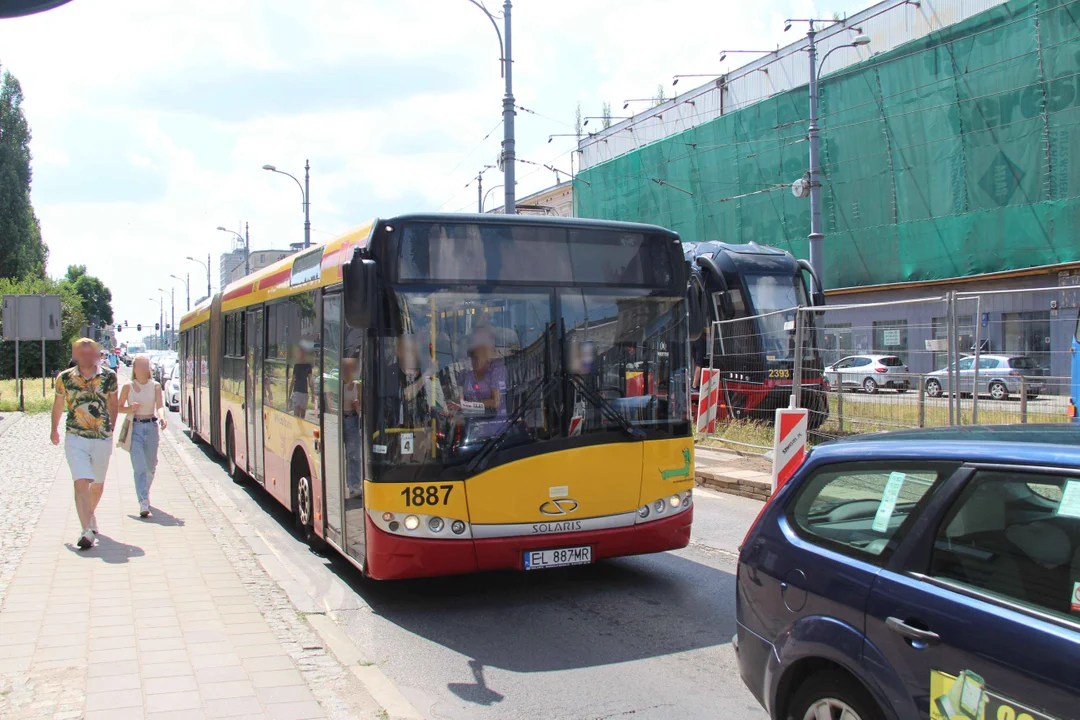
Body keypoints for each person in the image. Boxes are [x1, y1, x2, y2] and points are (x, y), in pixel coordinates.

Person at [50, 337, 119, 550]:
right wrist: (54, 429)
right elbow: (58, 403)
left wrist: (111, 429)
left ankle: (89, 515)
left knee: (96, 485)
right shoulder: (65, 378)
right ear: (75, 355)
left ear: (97, 354)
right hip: (75, 436)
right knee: (81, 481)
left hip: (101, 437)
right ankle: (86, 530)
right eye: (81, 353)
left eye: (90, 353)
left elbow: (113, 404)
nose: (86, 357)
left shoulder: (109, 377)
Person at [118, 355, 167, 517]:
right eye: (140, 366)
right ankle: (143, 501)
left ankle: (144, 491)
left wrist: (162, 417)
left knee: (150, 467)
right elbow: (118, 408)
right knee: (139, 467)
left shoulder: (155, 386)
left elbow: (159, 405)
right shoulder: (128, 386)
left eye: (146, 366)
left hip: (151, 426)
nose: (144, 369)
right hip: (135, 427)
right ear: (134, 369)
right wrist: (129, 408)